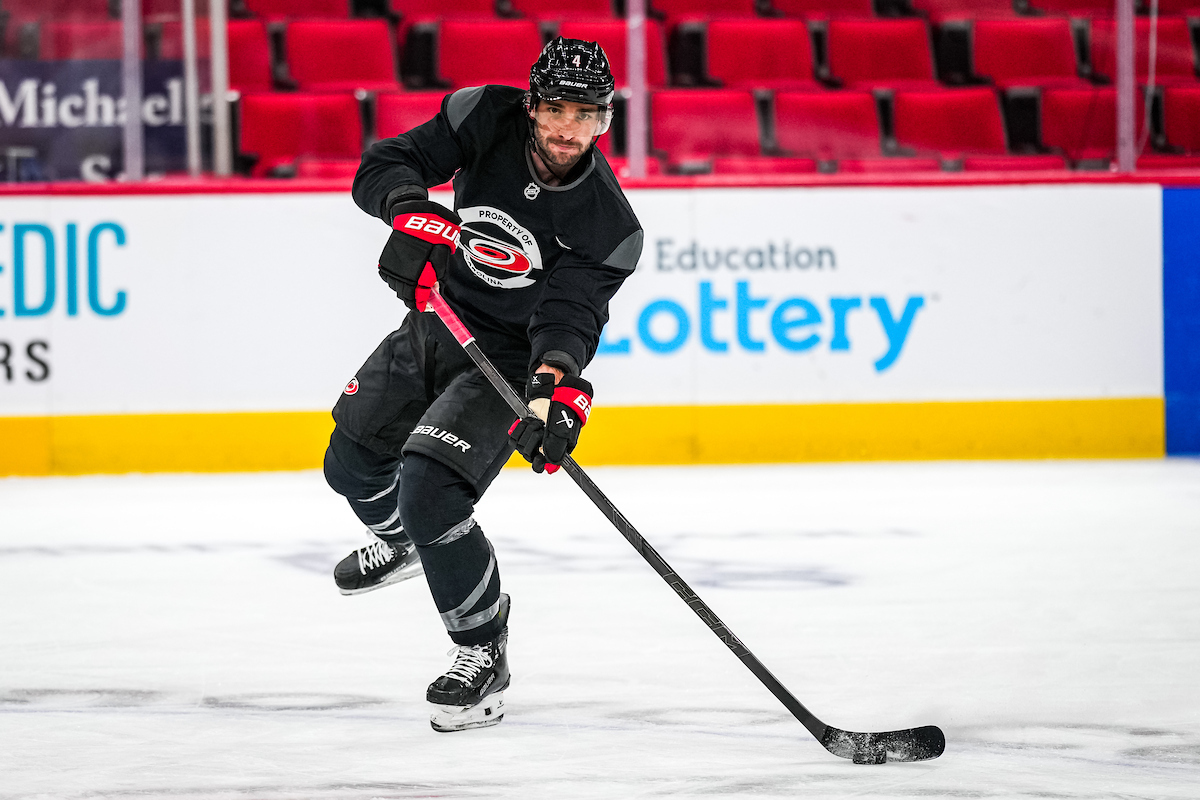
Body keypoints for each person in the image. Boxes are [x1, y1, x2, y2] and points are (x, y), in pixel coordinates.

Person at [322, 37, 643, 733]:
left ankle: (482, 650)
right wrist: (408, 209)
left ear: (606, 120)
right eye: (556, 109)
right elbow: (386, 165)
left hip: (505, 359)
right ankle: (401, 542)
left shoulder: (610, 226)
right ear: (531, 106)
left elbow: (569, 319)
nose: (567, 130)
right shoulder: (482, 115)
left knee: (431, 486)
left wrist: (553, 394)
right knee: (348, 463)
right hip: (438, 318)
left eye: (586, 115)